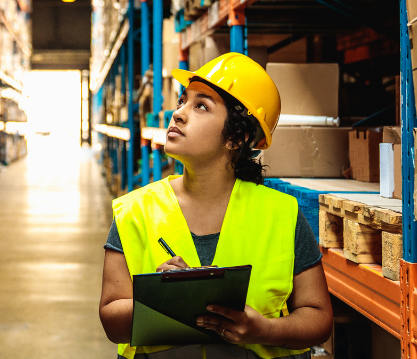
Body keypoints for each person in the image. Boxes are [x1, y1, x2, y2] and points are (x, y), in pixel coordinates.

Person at [99, 53, 333, 359]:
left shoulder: (282, 214)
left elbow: (318, 318)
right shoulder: (135, 211)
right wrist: (160, 298)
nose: (178, 113)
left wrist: (263, 329)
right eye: (182, 101)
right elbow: (111, 322)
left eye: (201, 106)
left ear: (237, 137)